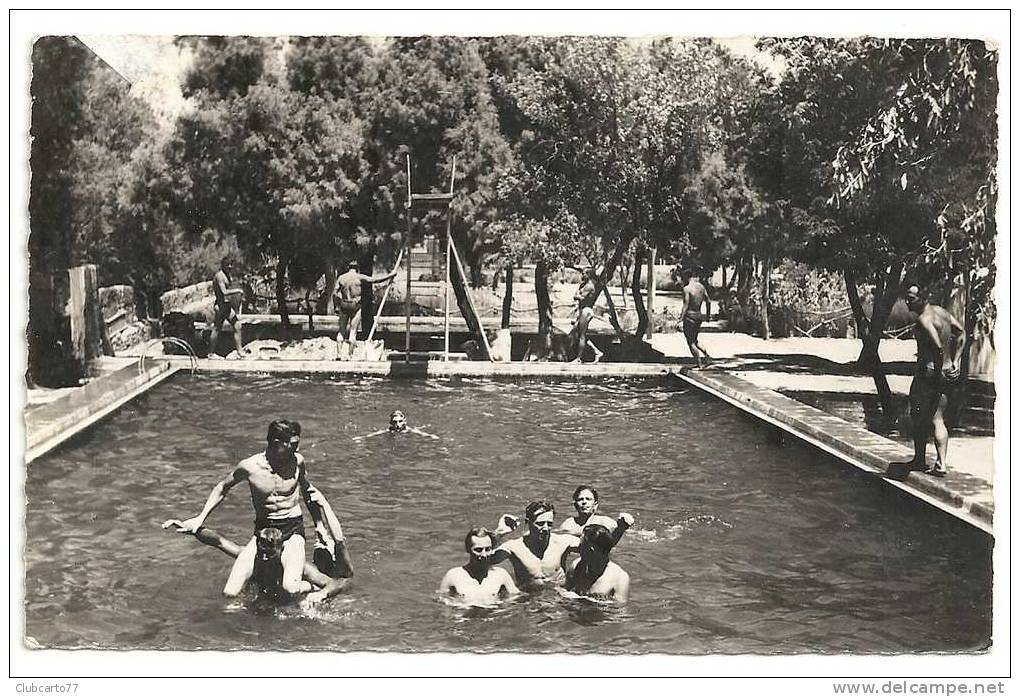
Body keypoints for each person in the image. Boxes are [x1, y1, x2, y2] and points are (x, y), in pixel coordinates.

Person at [163, 420, 319, 598]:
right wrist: (200, 518)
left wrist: (319, 524)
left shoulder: (297, 461)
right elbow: (223, 487)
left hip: (292, 530)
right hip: (262, 531)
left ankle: (309, 587)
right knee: (230, 592)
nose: (297, 449)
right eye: (293, 445)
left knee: (290, 589)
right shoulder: (250, 467)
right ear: (277, 443)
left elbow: (308, 491)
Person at [161, 522, 350, 605]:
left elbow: (338, 582)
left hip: (291, 599)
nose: (266, 557)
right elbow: (219, 541)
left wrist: (322, 595)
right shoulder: (251, 556)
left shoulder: (298, 566)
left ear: (281, 549)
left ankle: (329, 544)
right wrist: (193, 530)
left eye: (271, 553)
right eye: (263, 552)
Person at [889, 284, 966, 478]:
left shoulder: (924, 320)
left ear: (922, 298)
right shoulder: (941, 311)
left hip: (930, 374)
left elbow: (938, 347)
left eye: (911, 298)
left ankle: (920, 460)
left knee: (918, 415)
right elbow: (961, 333)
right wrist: (956, 361)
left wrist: (937, 371)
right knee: (937, 417)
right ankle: (940, 463)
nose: (907, 302)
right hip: (949, 371)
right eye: (907, 298)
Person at [489, 501, 581, 589]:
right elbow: (484, 560)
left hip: (559, 595)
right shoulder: (514, 547)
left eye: (549, 524)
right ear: (528, 522)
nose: (545, 528)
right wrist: (499, 533)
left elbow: (592, 546)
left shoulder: (563, 542)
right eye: (540, 524)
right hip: (529, 598)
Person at [335, 260, 398, 360]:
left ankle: (338, 355)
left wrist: (337, 305)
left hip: (344, 304)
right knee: (353, 331)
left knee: (341, 330)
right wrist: (390, 275)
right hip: (355, 305)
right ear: (357, 268)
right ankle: (349, 355)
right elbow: (375, 280)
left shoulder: (341, 278)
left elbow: (335, 293)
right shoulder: (360, 277)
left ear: (348, 267)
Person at [438, 528, 520, 604]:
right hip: (465, 617)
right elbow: (441, 603)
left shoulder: (501, 575)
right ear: (468, 549)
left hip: (492, 617)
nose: (484, 554)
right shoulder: (453, 576)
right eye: (478, 550)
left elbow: (516, 598)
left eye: (488, 549)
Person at [565, 524, 630, 602]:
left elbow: (619, 610)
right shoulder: (575, 566)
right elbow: (564, 590)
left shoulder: (620, 577)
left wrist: (592, 601)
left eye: (581, 546)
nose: (578, 549)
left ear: (591, 550)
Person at [307, 486, 355, 580]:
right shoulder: (311, 572)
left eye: (326, 542)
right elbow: (319, 525)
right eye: (318, 541)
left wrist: (324, 503)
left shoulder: (342, 573)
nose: (320, 542)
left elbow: (339, 540)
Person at [557, 485, 634, 537]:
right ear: (575, 505)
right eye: (580, 499)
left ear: (595, 505)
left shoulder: (605, 522)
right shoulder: (569, 523)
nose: (584, 502)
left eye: (588, 499)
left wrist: (621, 527)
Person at [209, 257, 244, 358]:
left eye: (231, 265)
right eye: (227, 265)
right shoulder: (219, 276)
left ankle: (239, 352)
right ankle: (210, 353)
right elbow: (224, 292)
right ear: (222, 265)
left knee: (237, 326)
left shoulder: (227, 275)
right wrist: (238, 290)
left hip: (226, 306)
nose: (230, 267)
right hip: (220, 306)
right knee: (217, 328)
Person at [679, 271, 712, 368]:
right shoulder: (701, 287)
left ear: (686, 277)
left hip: (690, 317)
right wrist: (708, 315)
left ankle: (699, 363)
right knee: (695, 339)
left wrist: (680, 319)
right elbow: (708, 301)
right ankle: (707, 356)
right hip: (699, 316)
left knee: (691, 342)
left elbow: (685, 305)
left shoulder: (687, 289)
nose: (682, 280)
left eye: (683, 278)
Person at [353, 410, 439, 441]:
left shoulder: (408, 429)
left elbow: (421, 433)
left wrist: (432, 436)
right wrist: (361, 437)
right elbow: (375, 434)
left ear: (404, 421)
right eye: (395, 422)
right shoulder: (389, 430)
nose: (397, 424)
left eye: (400, 421)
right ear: (391, 423)